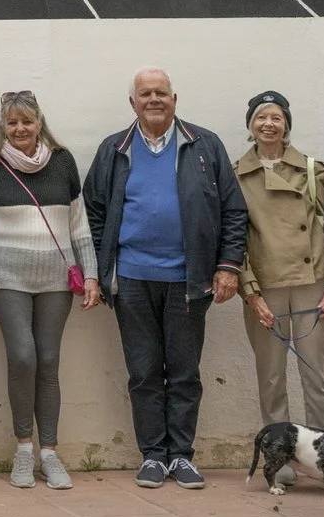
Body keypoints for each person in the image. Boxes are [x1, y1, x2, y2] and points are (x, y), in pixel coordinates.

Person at [83, 68, 247, 490]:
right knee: (143, 372)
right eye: (145, 93)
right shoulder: (114, 149)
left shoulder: (203, 145)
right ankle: (153, 455)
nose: (153, 99)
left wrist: (228, 265)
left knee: (185, 371)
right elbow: (93, 214)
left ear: (175, 99)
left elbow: (233, 211)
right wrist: (100, 274)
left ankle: (182, 456)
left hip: (190, 281)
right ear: (132, 102)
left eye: (161, 93)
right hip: (132, 280)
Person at [0, 91, 100, 490]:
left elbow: (79, 224)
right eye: (12, 123)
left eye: (27, 121)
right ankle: (23, 450)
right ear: (2, 127)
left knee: (49, 359)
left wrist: (90, 274)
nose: (20, 129)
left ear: (40, 123)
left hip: (56, 277)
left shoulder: (63, 162)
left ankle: (50, 454)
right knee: (23, 356)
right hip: (5, 276)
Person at [233, 91, 324, 445]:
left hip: (312, 282)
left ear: (286, 125)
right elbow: (234, 239)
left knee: (316, 375)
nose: (269, 124)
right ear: (251, 126)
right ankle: (280, 452)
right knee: (271, 377)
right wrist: (249, 292)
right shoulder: (235, 176)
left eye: (276, 117)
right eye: (261, 117)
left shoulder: (313, 170)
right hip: (266, 286)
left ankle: (323, 452)